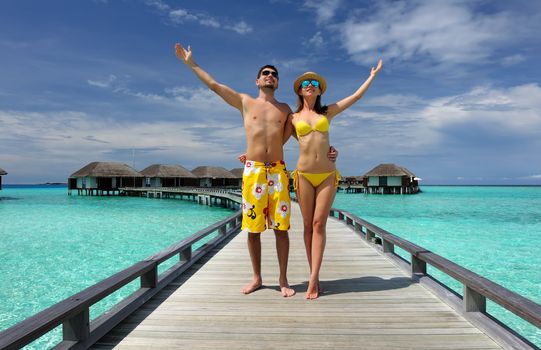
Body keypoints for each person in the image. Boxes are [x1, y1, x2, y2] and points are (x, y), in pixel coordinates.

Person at [175, 43, 336, 297]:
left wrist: (331, 151)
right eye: (266, 73)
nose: (270, 76)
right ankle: (257, 277)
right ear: (257, 81)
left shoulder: (285, 110)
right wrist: (192, 64)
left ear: (278, 82)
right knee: (253, 228)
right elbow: (215, 86)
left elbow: (300, 138)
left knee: (281, 228)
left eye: (274, 74)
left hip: (279, 172)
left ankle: (283, 279)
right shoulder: (244, 102)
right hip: (254, 171)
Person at [285, 60, 383, 299]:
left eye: (314, 83)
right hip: (303, 175)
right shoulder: (292, 117)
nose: (310, 85)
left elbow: (356, 97)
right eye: (306, 83)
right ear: (299, 90)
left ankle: (314, 278)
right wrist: (251, 156)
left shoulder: (326, 112)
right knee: (307, 227)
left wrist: (372, 76)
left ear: (319, 90)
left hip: (328, 174)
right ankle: (313, 275)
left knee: (320, 224)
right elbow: (275, 143)